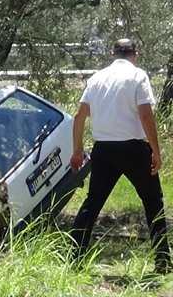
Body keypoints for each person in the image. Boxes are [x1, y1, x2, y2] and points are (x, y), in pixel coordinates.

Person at [70, 38, 171, 274]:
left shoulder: (96, 78)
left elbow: (79, 117)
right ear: (135, 55)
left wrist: (77, 150)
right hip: (133, 148)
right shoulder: (137, 76)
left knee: (92, 203)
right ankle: (163, 261)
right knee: (153, 202)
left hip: (103, 149)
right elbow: (145, 115)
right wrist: (156, 150)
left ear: (113, 55)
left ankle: (74, 258)